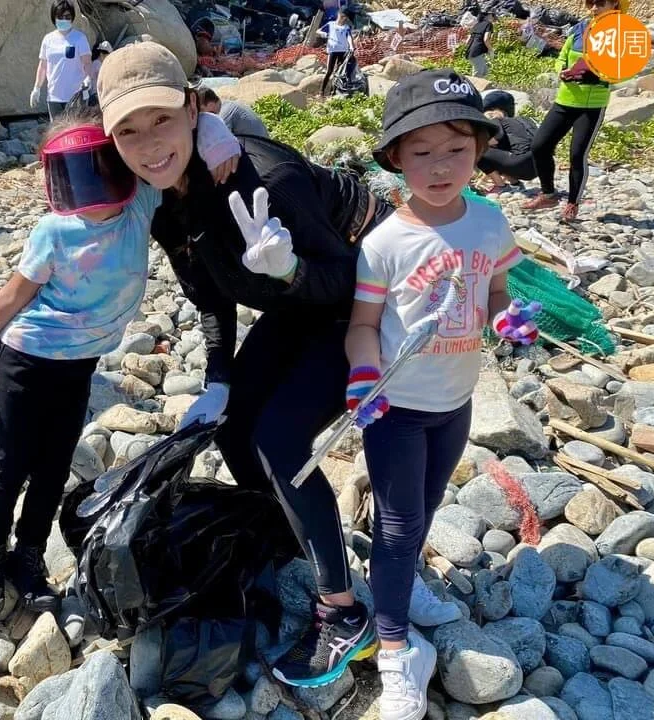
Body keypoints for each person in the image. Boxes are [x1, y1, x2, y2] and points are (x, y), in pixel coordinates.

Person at [98, 40, 396, 688]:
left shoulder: (263, 179)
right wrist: (218, 378)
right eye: (129, 131)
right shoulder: (164, 197)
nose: (149, 145)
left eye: (161, 120)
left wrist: (287, 272)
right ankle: (292, 538)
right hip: (296, 303)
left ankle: (344, 615)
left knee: (279, 440)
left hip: (363, 301)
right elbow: (209, 295)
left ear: (193, 109)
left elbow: (350, 278)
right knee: (232, 427)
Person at [0, 105, 241, 615]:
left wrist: (212, 132)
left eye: (97, 170)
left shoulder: (140, 203)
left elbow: (176, 148)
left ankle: (28, 556)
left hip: (79, 365)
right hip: (26, 359)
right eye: (72, 176)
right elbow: (13, 295)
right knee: (13, 461)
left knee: (54, 464)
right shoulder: (55, 230)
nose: (88, 189)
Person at [347, 69, 536, 720]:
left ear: (479, 150)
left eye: (456, 149)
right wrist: (363, 377)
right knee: (398, 526)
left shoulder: (488, 223)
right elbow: (363, 326)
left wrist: (509, 323)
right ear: (395, 158)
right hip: (395, 408)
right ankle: (393, 649)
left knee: (424, 509)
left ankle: (403, 584)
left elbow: (497, 295)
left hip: (455, 402)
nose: (439, 166)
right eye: (421, 151)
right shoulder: (386, 242)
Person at [523, 0, 620, 222]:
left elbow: (623, 71)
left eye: (600, 3)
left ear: (614, 3)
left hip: (592, 105)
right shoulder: (579, 28)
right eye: (590, 3)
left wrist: (599, 76)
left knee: (577, 155)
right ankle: (548, 194)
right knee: (540, 146)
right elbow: (562, 57)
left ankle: (572, 203)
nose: (594, 8)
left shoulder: (619, 33)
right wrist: (562, 71)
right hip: (565, 100)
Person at [30, 0, 92, 120]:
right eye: (60, 17)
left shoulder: (79, 38)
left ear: (72, 18)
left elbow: (87, 62)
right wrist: (36, 88)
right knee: (57, 129)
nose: (64, 20)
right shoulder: (48, 39)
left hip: (76, 96)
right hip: (54, 97)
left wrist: (88, 78)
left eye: (67, 17)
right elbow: (43, 66)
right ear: (54, 17)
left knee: (75, 128)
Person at [477, 90, 538, 191]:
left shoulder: (496, 119)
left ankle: (501, 186)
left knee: (479, 150)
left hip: (519, 164)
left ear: (493, 110)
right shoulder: (525, 120)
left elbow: (498, 137)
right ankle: (516, 184)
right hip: (539, 167)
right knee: (503, 150)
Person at [196, 87, 270, 138]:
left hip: (258, 148)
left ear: (210, 104)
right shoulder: (226, 105)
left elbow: (220, 140)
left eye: (202, 109)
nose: (202, 113)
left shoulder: (224, 113)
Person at [318, 12, 356, 96]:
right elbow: (318, 31)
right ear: (338, 15)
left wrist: (351, 46)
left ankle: (333, 91)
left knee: (339, 72)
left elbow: (349, 37)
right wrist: (323, 33)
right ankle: (321, 91)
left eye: (344, 17)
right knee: (329, 71)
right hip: (333, 51)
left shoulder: (346, 27)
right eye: (341, 16)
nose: (342, 18)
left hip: (343, 51)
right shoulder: (331, 24)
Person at [465, 11, 494, 78]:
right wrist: (491, 50)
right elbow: (486, 39)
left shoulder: (476, 25)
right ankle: (473, 84)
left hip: (470, 51)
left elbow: (467, 41)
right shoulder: (488, 24)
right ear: (487, 16)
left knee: (485, 71)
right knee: (478, 74)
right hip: (477, 52)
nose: (492, 17)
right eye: (491, 15)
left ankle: (482, 84)